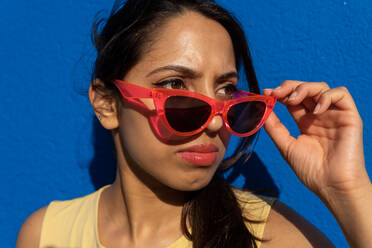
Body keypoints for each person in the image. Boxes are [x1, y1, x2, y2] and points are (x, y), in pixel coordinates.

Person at [16, 0, 371, 247]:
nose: (216, 123)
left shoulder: (269, 237)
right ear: (107, 104)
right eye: (175, 87)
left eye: (227, 90)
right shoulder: (45, 234)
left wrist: (347, 189)